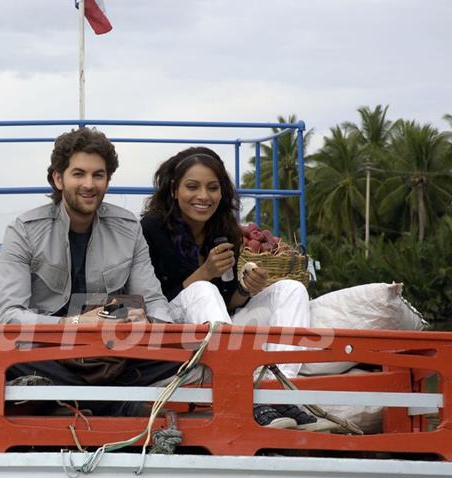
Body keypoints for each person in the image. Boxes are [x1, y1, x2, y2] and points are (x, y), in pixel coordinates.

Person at [140, 147, 335, 431]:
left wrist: (245, 288)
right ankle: (245, 398)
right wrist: (205, 272)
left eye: (212, 188)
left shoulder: (225, 229)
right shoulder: (152, 228)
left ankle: (279, 392)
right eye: (192, 187)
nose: (203, 196)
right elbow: (158, 300)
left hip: (218, 330)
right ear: (174, 189)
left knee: (291, 289)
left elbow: (228, 302)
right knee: (204, 289)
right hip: (172, 327)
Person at [0, 127, 181, 417]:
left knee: (184, 354)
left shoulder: (129, 228)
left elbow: (154, 301)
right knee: (7, 351)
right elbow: (10, 316)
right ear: (59, 179)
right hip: (50, 351)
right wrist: (77, 323)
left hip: (111, 353)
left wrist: (151, 324)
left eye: (98, 175)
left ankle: (71, 401)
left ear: (107, 180)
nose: (89, 184)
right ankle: (117, 406)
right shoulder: (24, 231)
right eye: (78, 174)